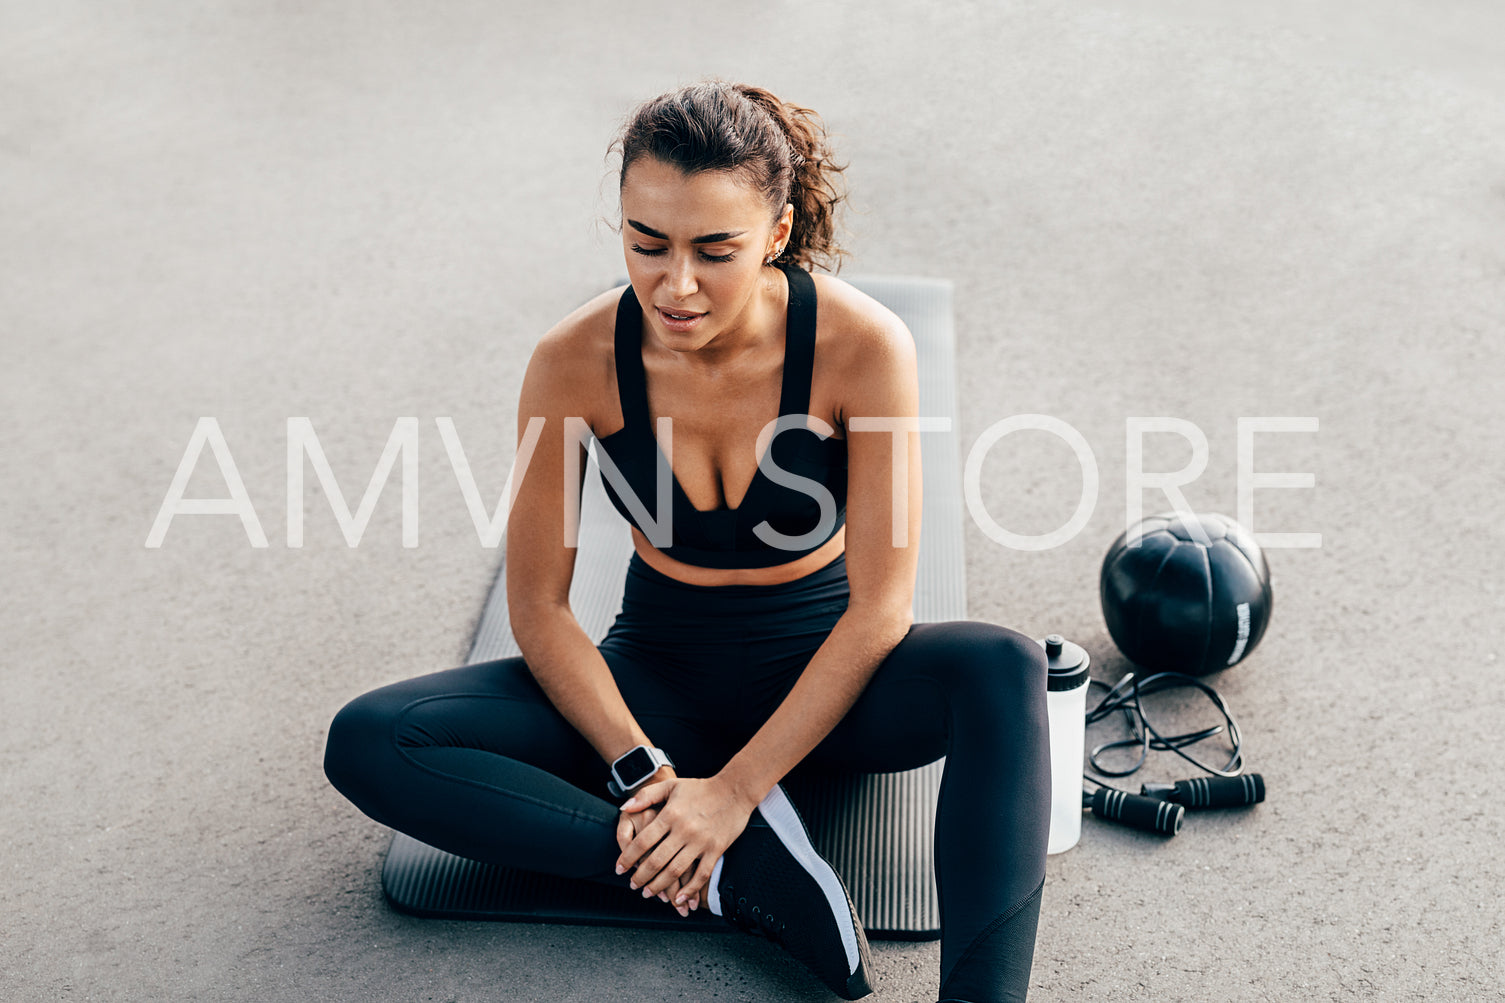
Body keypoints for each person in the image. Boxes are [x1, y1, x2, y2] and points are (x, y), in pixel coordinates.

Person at [323, 80, 1051, 1003]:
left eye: (715, 250)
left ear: (777, 235)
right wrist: (647, 773)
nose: (676, 284)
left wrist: (736, 787)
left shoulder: (861, 345)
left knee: (1000, 666)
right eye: (646, 244)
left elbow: (880, 609)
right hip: (657, 681)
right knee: (374, 739)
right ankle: (735, 875)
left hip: (830, 681)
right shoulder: (570, 361)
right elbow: (539, 608)